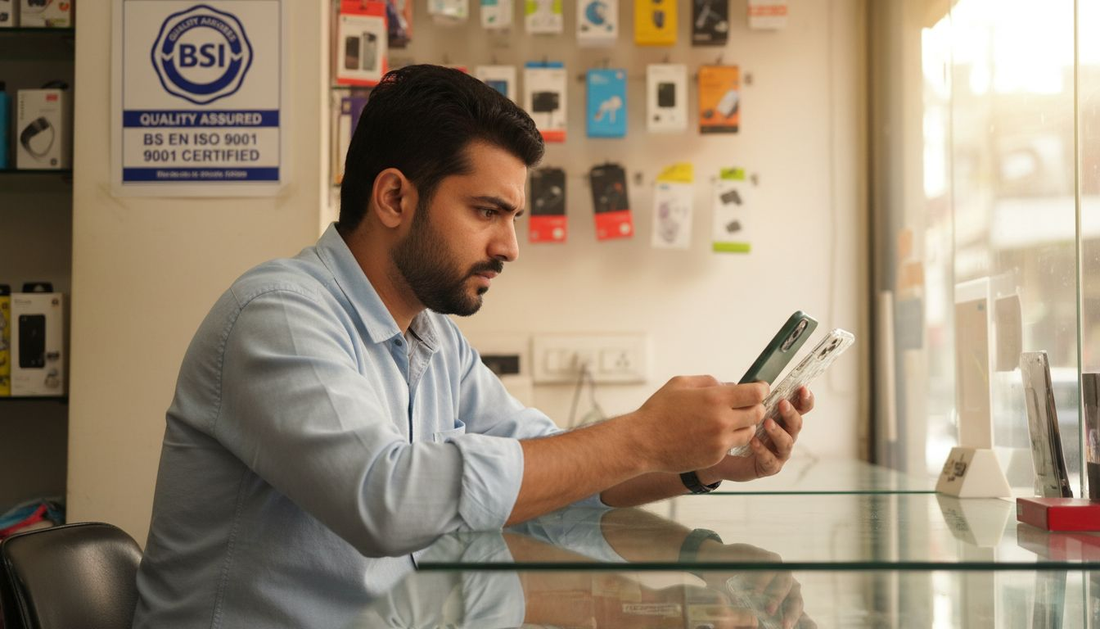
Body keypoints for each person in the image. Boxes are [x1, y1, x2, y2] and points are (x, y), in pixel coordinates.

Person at [132, 64, 814, 628]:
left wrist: (706, 462)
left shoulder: (434, 341)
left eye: (513, 218)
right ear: (395, 196)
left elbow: (557, 478)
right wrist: (640, 433)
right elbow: (389, 499)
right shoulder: (277, 316)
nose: (508, 246)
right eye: (486, 212)